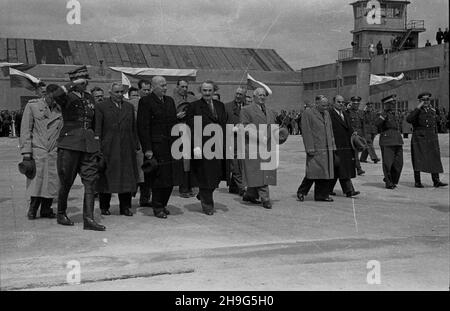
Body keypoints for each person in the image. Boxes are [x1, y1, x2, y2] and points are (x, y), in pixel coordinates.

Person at [52, 65, 105, 231]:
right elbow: (55, 94)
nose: (85, 82)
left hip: (88, 145)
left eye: (85, 79)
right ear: (73, 81)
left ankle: (89, 219)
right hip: (70, 144)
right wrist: (71, 85)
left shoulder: (89, 97)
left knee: (90, 182)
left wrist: (96, 141)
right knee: (66, 180)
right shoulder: (66, 96)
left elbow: (95, 120)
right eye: (81, 80)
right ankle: (61, 213)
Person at [137, 76, 183, 219]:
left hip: (170, 146)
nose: (165, 88)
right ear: (154, 86)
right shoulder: (145, 101)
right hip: (156, 147)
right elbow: (143, 127)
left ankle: (163, 204)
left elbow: (174, 123)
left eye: (165, 85)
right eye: (162, 85)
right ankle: (157, 207)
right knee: (158, 179)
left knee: (170, 178)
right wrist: (148, 149)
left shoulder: (169, 101)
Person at [20, 83, 62, 219]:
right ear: (46, 94)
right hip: (39, 149)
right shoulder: (32, 106)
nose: (55, 100)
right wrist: (27, 153)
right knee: (37, 182)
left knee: (52, 182)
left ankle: (46, 209)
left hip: (54, 150)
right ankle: (32, 209)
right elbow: (26, 130)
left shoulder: (60, 109)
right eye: (53, 97)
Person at [95, 82, 139, 216]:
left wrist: (135, 145)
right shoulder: (101, 107)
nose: (119, 95)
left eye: (121, 92)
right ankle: (104, 206)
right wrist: (98, 149)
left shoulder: (129, 107)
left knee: (126, 178)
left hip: (126, 148)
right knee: (106, 179)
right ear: (110, 93)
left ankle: (125, 207)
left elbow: (133, 128)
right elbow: (98, 129)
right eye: (117, 92)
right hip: (109, 148)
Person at [187, 80, 227, 215]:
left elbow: (224, 123)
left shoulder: (220, 106)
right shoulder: (194, 106)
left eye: (210, 90)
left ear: (214, 91)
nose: (207, 93)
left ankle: (203, 194)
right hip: (203, 146)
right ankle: (207, 204)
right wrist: (195, 146)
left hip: (218, 145)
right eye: (204, 90)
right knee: (206, 176)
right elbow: (191, 127)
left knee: (216, 176)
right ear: (200, 91)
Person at [240, 87, 277, 209]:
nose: (262, 97)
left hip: (267, 146)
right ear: (254, 97)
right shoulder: (246, 110)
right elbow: (245, 127)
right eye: (260, 95)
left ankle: (250, 194)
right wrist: (259, 137)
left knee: (258, 173)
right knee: (260, 173)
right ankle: (265, 198)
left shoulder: (271, 111)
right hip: (253, 146)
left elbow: (273, 128)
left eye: (264, 95)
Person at [297, 95, 336, 202]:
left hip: (326, 148)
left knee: (324, 173)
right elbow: (306, 131)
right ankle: (301, 191)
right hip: (315, 148)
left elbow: (330, 129)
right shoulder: (308, 113)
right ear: (317, 103)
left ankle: (321, 195)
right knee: (312, 173)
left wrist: (332, 145)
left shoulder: (327, 113)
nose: (325, 107)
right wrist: (309, 147)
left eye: (327, 105)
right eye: (323, 105)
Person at [406, 92, 447, 188]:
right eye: (424, 100)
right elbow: (409, 119)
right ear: (420, 101)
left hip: (431, 138)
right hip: (419, 137)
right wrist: (418, 107)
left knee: (434, 158)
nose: (426, 101)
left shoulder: (432, 110)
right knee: (418, 159)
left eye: (427, 99)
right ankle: (417, 182)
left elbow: (435, 124)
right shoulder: (417, 111)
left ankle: (436, 181)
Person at [328, 95, 360, 198]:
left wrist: (354, 135)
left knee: (339, 169)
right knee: (342, 168)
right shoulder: (329, 114)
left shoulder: (344, 114)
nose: (341, 104)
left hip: (346, 145)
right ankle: (349, 190)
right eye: (339, 102)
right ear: (333, 102)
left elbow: (349, 127)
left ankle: (328, 189)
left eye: (342, 102)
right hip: (336, 145)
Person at [172, 79, 197, 198]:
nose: (185, 89)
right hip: (178, 133)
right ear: (177, 87)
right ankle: (183, 187)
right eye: (182, 86)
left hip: (192, 131)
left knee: (192, 159)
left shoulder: (193, 99)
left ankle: (191, 185)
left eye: (186, 87)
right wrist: (175, 116)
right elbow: (167, 117)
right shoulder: (171, 100)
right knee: (183, 161)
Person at [375, 95, 403, 189]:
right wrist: (383, 115)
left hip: (397, 140)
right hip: (387, 141)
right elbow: (377, 124)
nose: (393, 105)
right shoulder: (382, 114)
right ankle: (388, 182)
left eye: (393, 103)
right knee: (387, 163)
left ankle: (392, 179)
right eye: (390, 103)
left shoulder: (394, 114)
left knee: (399, 163)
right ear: (385, 105)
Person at [225, 87, 247, 196]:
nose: (238, 96)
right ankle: (242, 188)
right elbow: (222, 122)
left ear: (244, 96)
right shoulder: (227, 107)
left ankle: (233, 186)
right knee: (235, 164)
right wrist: (231, 128)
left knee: (242, 163)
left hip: (244, 140)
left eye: (240, 94)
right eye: (237, 93)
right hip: (231, 139)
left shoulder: (247, 108)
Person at [136, 79, 152, 206]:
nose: (146, 92)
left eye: (148, 90)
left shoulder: (153, 104)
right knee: (137, 172)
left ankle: (145, 198)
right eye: (144, 90)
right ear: (138, 91)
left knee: (148, 171)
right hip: (136, 144)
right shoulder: (132, 105)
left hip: (150, 143)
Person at [348, 96, 365, 175]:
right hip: (352, 135)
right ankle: (358, 169)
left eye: (357, 104)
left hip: (360, 134)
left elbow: (363, 125)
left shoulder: (361, 112)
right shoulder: (348, 112)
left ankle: (354, 167)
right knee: (355, 153)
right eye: (354, 103)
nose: (356, 105)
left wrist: (364, 136)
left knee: (356, 152)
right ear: (352, 104)